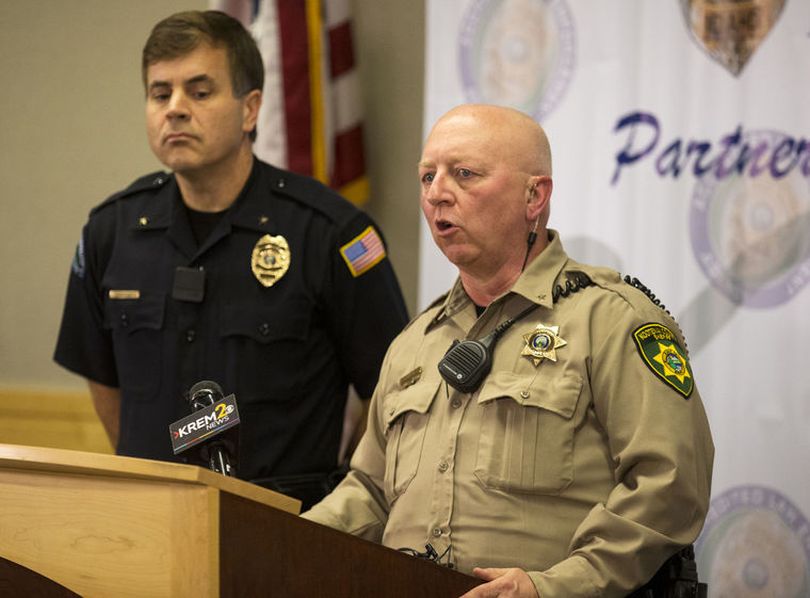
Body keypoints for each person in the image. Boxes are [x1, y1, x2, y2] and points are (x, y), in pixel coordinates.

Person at [302, 104, 714, 597]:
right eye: (427, 176)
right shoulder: (414, 343)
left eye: (464, 174)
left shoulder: (612, 319)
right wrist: (275, 539)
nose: (437, 194)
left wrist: (554, 587)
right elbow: (369, 491)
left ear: (534, 196)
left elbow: (669, 485)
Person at [53, 10, 408, 509]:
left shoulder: (329, 233)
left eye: (199, 92)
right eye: (160, 93)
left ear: (250, 109)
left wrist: (340, 491)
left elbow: (388, 391)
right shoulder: (111, 231)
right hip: (149, 515)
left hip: (287, 525)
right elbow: (104, 382)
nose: (175, 109)